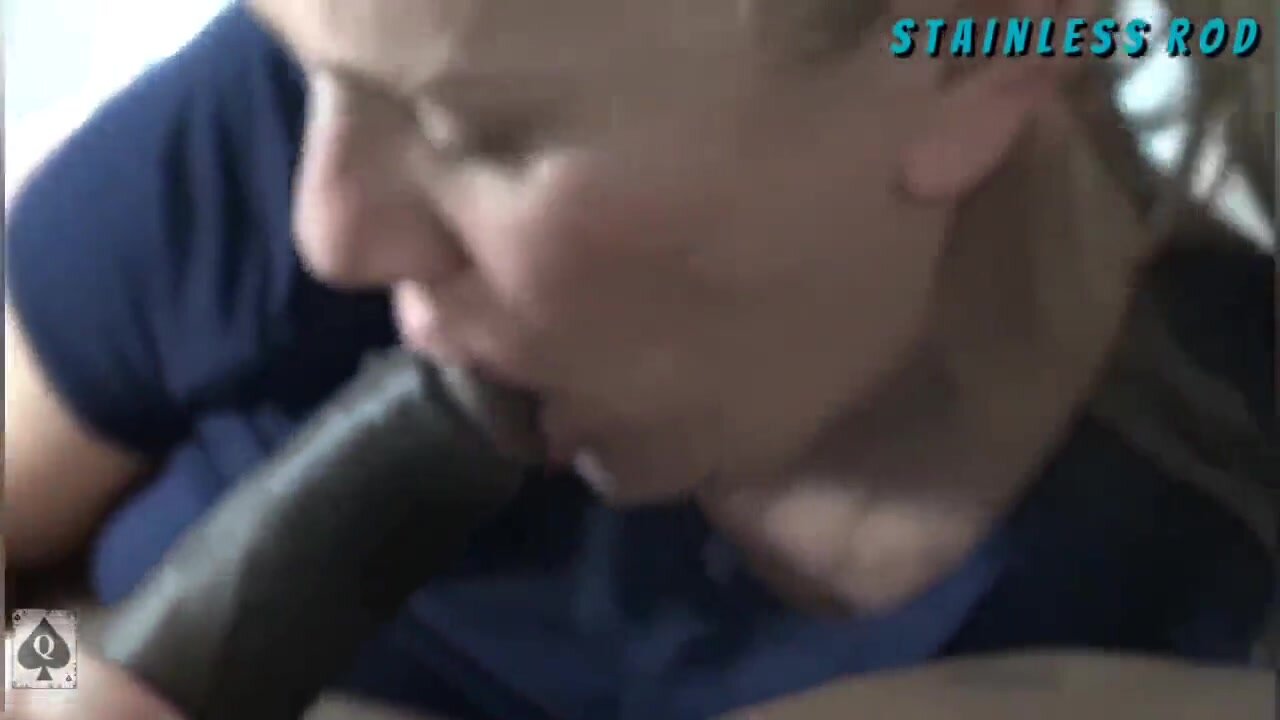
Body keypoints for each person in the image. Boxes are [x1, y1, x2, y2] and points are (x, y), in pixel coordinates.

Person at [5, 0, 1274, 718]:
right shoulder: (296, 104)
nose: (328, 234)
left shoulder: (1216, 596)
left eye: (482, 135)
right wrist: (58, 675)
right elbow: (20, 626)